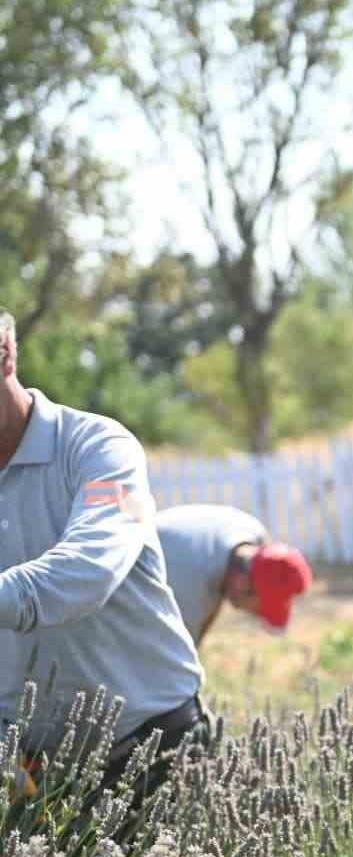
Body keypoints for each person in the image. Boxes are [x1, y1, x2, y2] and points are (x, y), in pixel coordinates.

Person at [0, 310, 209, 827]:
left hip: (147, 747)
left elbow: (90, 567)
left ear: (4, 352)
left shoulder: (101, 450)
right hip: (23, 760)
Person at [154, 503, 312, 647]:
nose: (250, 614)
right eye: (256, 610)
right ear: (242, 583)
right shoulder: (190, 588)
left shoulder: (253, 531)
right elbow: (175, 658)